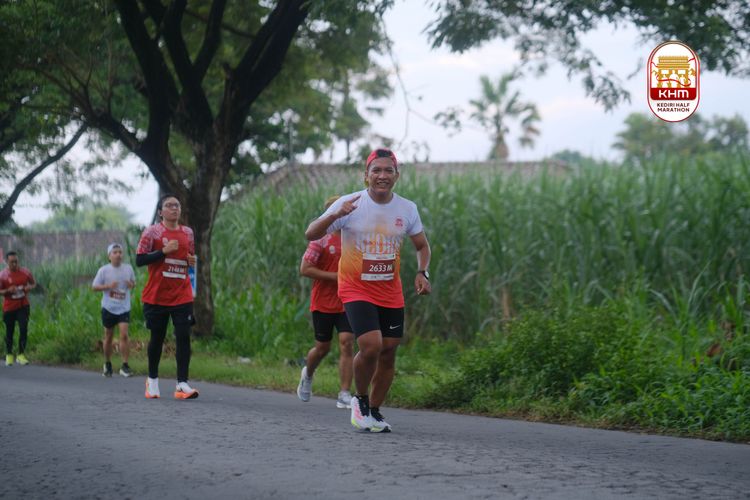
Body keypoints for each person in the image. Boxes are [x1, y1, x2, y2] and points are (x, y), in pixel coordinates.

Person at [305, 148, 432, 432]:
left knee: (388, 352)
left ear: (397, 175)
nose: (382, 176)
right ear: (366, 175)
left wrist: (422, 271)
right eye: (376, 170)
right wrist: (334, 215)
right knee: (371, 345)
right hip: (355, 287)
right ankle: (360, 401)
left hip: (390, 290)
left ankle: (374, 411)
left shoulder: (407, 209)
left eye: (388, 170)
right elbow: (311, 233)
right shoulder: (350, 203)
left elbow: (422, 245)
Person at [136, 194, 199, 400]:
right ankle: (152, 380)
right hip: (157, 295)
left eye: (177, 205)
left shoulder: (188, 233)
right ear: (160, 212)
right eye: (169, 205)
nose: (174, 208)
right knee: (158, 337)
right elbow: (139, 260)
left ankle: (182, 383)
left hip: (182, 294)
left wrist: (190, 261)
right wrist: (163, 251)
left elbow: (189, 257)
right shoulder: (152, 232)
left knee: (183, 336)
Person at [297, 196, 355, 409]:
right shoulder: (320, 239)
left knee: (347, 342)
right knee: (322, 348)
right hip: (323, 301)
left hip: (348, 300)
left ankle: (344, 393)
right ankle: (308, 373)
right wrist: (336, 277)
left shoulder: (355, 239)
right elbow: (305, 269)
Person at [92, 243, 136, 377]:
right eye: (115, 252)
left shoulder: (128, 268)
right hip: (108, 307)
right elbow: (94, 287)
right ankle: (107, 363)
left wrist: (131, 284)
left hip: (124, 307)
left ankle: (125, 365)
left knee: (124, 335)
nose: (118, 255)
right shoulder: (104, 270)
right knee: (109, 336)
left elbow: (133, 283)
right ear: (109, 256)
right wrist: (108, 286)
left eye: (120, 252)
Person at [0, 251, 36, 366]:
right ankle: (9, 355)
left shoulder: (25, 272)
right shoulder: (2, 275)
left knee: (23, 329)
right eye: (12, 262)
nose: (15, 264)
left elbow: (33, 283)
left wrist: (28, 288)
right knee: (9, 331)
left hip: (23, 305)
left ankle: (21, 355)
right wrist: (8, 290)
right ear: (7, 262)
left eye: (16, 261)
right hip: (9, 307)